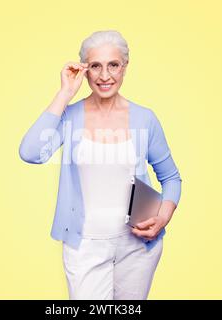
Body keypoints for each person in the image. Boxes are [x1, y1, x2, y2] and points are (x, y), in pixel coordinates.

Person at [19, 30, 182, 299]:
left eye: (113, 65)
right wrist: (64, 93)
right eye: (95, 66)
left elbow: (171, 178)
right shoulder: (70, 117)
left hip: (138, 247)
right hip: (84, 245)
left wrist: (162, 217)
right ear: (84, 70)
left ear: (125, 67)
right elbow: (31, 152)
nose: (105, 76)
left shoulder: (145, 118)